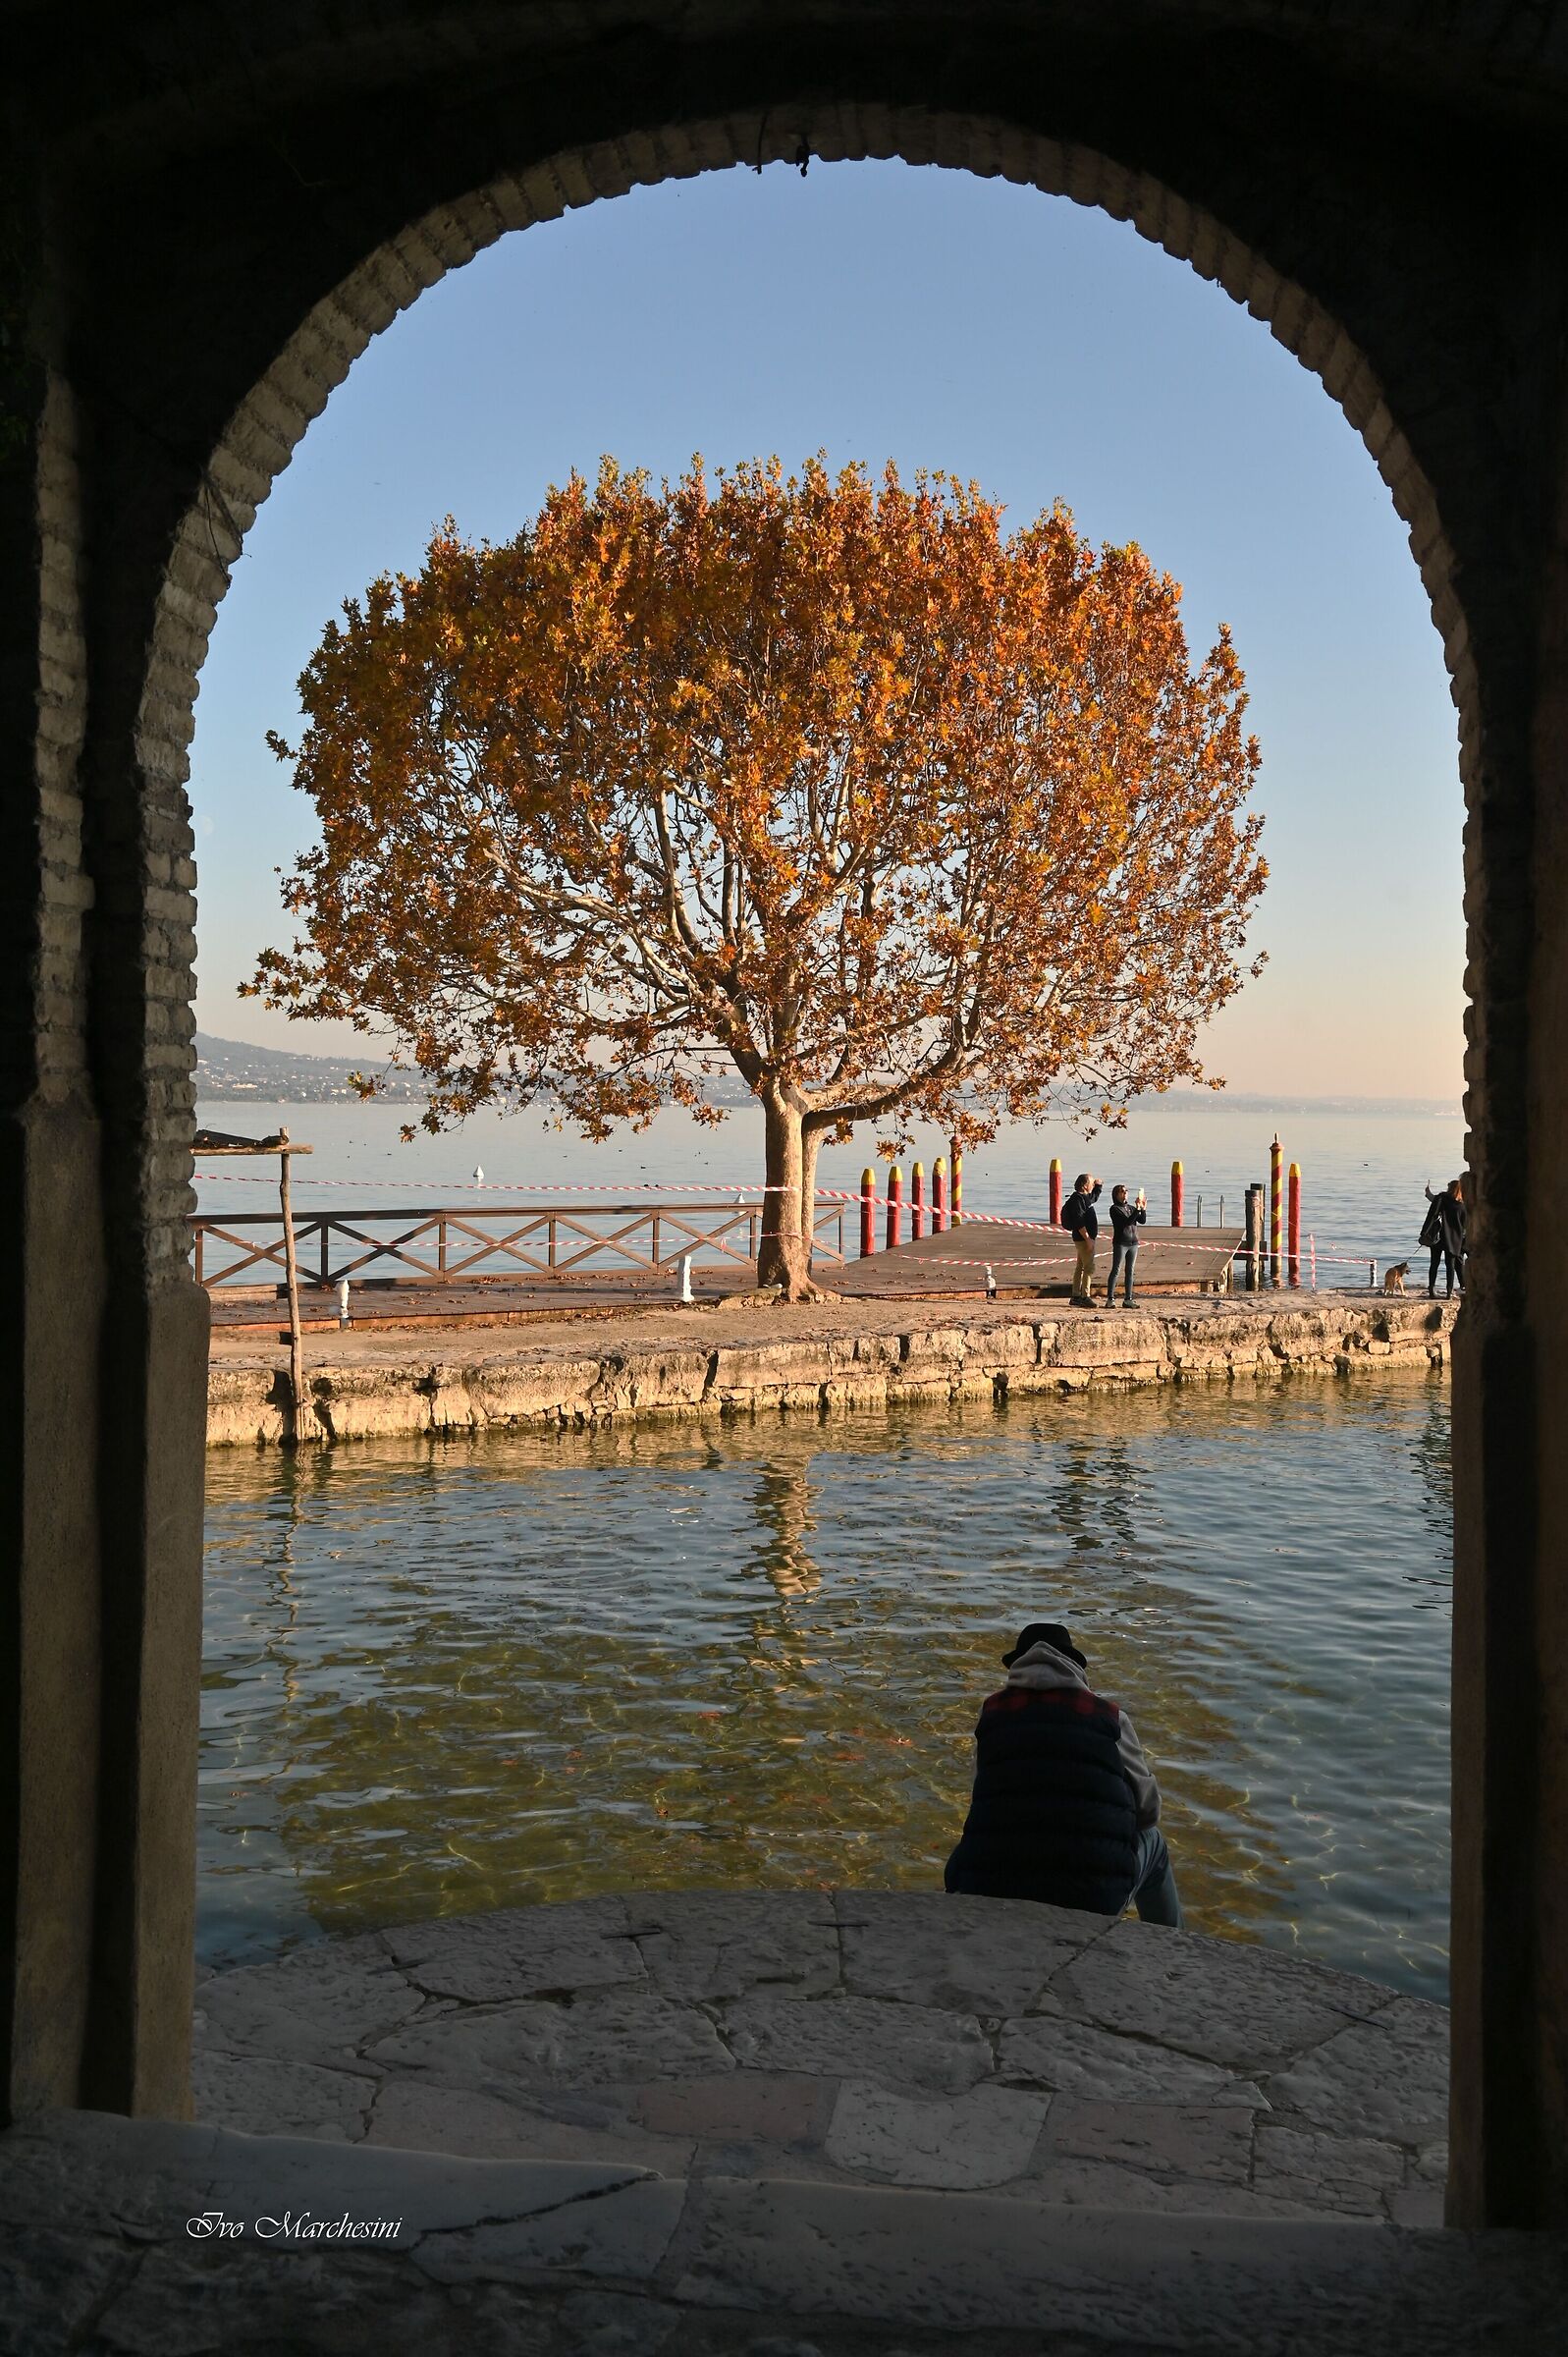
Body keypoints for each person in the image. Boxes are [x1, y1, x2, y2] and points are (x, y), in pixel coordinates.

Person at [945, 1620, 1183, 1927]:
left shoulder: (992, 1714)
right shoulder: (1109, 1717)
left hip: (993, 1890)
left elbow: (983, 1796)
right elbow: (1148, 1812)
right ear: (1075, 1666)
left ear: (1015, 1667)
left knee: (975, 1842)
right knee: (1154, 1842)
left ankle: (958, 1921)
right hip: (1094, 1899)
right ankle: (1170, 1947)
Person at [1420, 1177, 1466, 1298]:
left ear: (1449, 1188)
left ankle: (1432, 1290)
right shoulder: (1462, 1205)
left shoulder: (1441, 1198)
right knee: (1450, 1266)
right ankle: (1449, 1292)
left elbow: (1432, 1215)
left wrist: (1424, 1233)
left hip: (1438, 1236)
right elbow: (1465, 1225)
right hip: (1454, 1239)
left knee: (1434, 1263)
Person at [1061, 1173, 1101, 1305]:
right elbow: (1078, 1221)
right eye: (1091, 1183)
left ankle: (1076, 1296)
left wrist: (1098, 1186)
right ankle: (1085, 1296)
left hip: (1085, 1238)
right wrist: (1088, 1238)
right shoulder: (1076, 1200)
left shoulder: (1085, 1197)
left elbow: (1093, 1197)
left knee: (1080, 1267)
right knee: (1089, 1267)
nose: (1092, 1184)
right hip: (1083, 1238)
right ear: (1084, 1185)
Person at [1106, 1183, 1147, 1306]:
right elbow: (1127, 1222)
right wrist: (1138, 1209)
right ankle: (1110, 1298)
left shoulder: (1130, 1208)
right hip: (1121, 1243)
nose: (1125, 1193)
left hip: (1133, 1242)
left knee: (1130, 1270)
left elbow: (1142, 1220)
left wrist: (1142, 1209)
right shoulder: (1114, 1209)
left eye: (1126, 1191)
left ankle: (1128, 1298)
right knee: (1116, 1269)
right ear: (1116, 1195)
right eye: (1122, 1192)